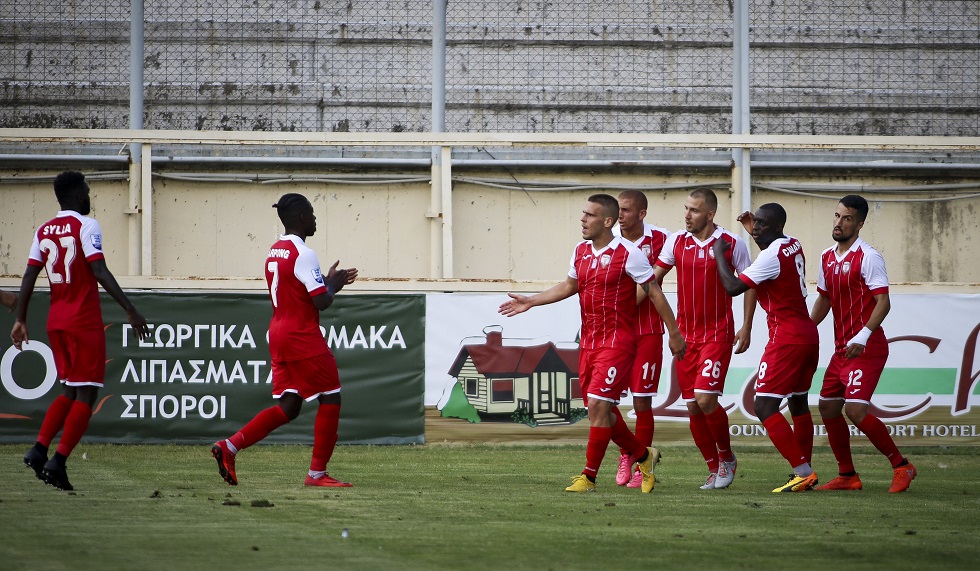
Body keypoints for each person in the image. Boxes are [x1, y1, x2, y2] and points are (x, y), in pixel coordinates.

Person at [499, 193, 686, 493]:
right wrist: (531, 301)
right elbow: (570, 285)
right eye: (583, 214)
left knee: (600, 406)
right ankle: (642, 456)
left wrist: (674, 332)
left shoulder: (629, 253)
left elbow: (653, 291)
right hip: (588, 343)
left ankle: (588, 476)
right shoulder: (580, 251)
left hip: (618, 343)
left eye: (590, 215)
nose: (583, 219)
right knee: (602, 413)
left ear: (607, 221)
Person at [11, 171, 150, 491]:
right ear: (77, 196)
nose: (89, 197)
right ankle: (58, 461)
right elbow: (98, 269)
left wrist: (21, 318)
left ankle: (39, 449)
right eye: (87, 192)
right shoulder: (87, 226)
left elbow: (30, 275)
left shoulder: (43, 229)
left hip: (56, 321)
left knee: (70, 390)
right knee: (87, 393)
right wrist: (130, 309)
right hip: (83, 320)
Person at [211, 193, 357, 487]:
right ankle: (317, 474)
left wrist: (326, 280)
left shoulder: (274, 250)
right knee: (331, 398)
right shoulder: (305, 253)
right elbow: (321, 301)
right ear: (302, 218)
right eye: (313, 214)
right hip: (301, 334)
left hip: (278, 333)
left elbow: (299, 288)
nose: (315, 219)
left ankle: (230, 446)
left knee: (290, 405)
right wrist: (334, 284)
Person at [810, 195, 916, 492]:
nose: (839, 223)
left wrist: (863, 335)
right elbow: (825, 298)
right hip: (842, 351)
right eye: (837, 216)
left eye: (847, 218)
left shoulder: (869, 257)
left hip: (867, 348)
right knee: (828, 408)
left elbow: (883, 302)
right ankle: (847, 476)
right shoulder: (827, 257)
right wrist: (806, 328)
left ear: (859, 223)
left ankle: (902, 465)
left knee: (855, 411)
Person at [653, 188, 755, 490]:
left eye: (694, 210)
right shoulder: (676, 241)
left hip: (717, 334)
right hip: (685, 338)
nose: (687, 215)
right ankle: (713, 467)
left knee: (705, 398)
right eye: (686, 209)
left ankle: (727, 458)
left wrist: (747, 326)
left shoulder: (732, 243)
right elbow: (653, 281)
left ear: (710, 214)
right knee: (693, 406)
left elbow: (750, 284)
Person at [714, 202, 820, 493]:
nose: (755, 227)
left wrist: (719, 256)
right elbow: (773, 255)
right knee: (798, 402)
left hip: (786, 337)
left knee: (763, 405)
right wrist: (758, 234)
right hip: (807, 334)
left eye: (761, 223)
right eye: (754, 222)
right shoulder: (791, 243)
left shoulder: (770, 256)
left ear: (775, 227)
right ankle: (804, 471)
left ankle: (803, 471)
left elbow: (734, 287)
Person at [611, 190, 670, 488]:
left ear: (642, 214)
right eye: (618, 209)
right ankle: (629, 452)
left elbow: (653, 284)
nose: (620, 215)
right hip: (615, 332)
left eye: (626, 210)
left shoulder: (662, 239)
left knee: (642, 401)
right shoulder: (607, 238)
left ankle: (642, 470)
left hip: (647, 331)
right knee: (603, 402)